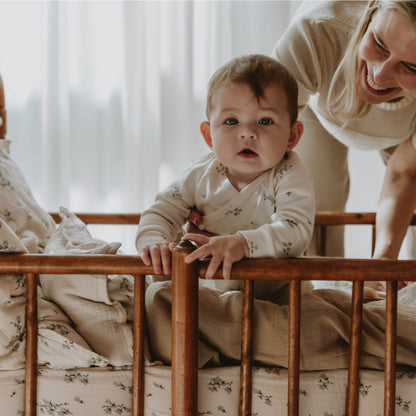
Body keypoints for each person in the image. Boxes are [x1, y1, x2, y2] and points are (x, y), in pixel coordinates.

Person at [136, 54, 315, 296]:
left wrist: (244, 243)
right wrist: (154, 240)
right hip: (209, 294)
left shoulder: (288, 174)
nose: (248, 133)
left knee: (309, 324)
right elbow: (161, 212)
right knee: (156, 299)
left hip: (280, 295)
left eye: (265, 120)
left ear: (292, 136)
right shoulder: (200, 174)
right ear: (209, 135)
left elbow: (295, 231)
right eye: (232, 121)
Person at [271, 0, 416, 280]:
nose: (379, 74)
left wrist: (385, 260)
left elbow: (407, 171)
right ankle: (321, 299)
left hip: (404, 134)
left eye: (410, 66)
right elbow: (257, 141)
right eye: (379, 44)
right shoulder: (316, 31)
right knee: (313, 204)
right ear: (371, 13)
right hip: (319, 114)